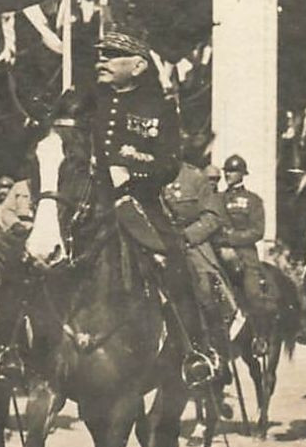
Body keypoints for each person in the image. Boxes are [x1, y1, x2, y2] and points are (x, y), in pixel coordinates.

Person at [91, 25, 221, 383]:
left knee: (172, 262)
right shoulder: (90, 102)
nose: (101, 61)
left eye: (111, 56)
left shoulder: (160, 108)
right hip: (91, 201)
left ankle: (195, 350)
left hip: (140, 204)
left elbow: (167, 164)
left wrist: (131, 175)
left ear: (137, 66)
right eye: (100, 55)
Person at [163, 157, 245, 358]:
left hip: (190, 244)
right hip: (155, 241)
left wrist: (186, 237)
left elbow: (212, 218)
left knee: (207, 288)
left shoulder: (194, 177)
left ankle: (214, 348)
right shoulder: (146, 175)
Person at [216, 154, 266, 290]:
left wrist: (230, 238)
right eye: (226, 171)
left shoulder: (253, 200)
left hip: (245, 255)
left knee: (253, 294)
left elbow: (257, 231)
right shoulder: (217, 199)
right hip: (218, 253)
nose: (227, 174)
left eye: (232, 171)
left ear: (242, 174)